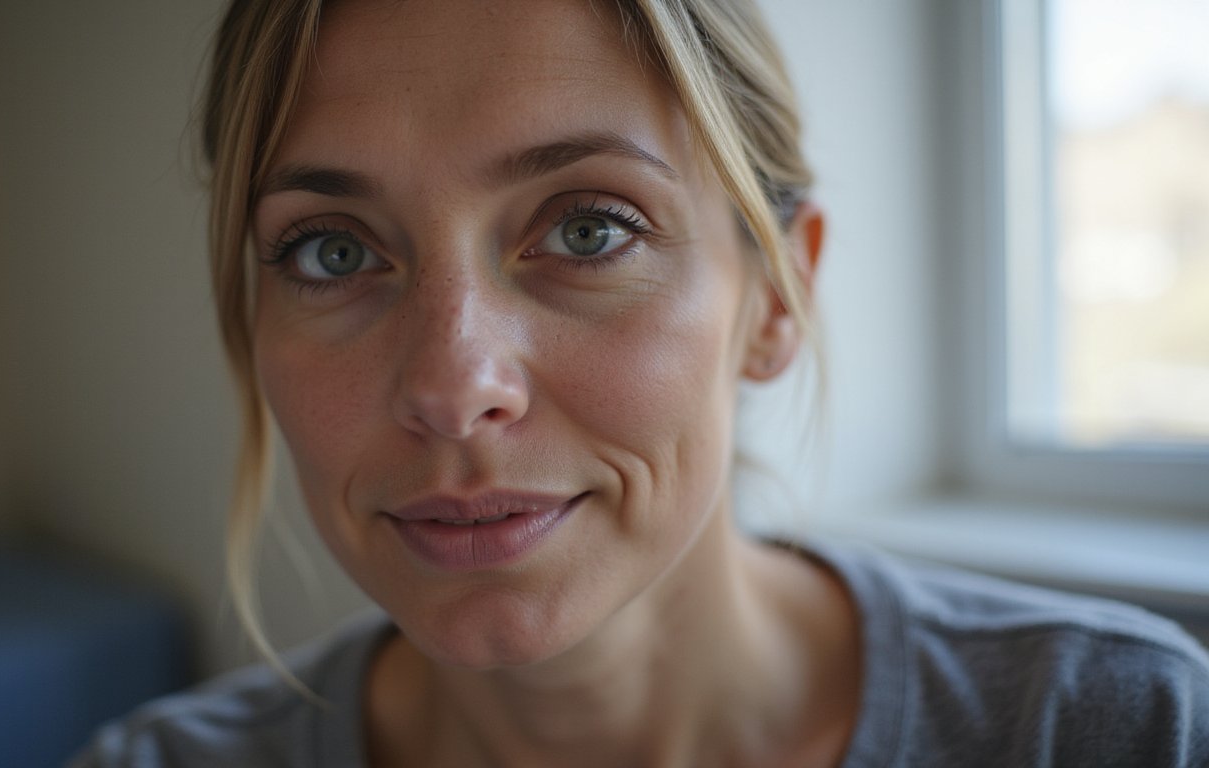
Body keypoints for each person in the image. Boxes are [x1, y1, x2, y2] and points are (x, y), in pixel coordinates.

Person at [74, 0, 1209, 765]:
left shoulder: (1110, 727)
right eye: (332, 250)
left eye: (587, 228)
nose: (453, 385)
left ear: (777, 299)